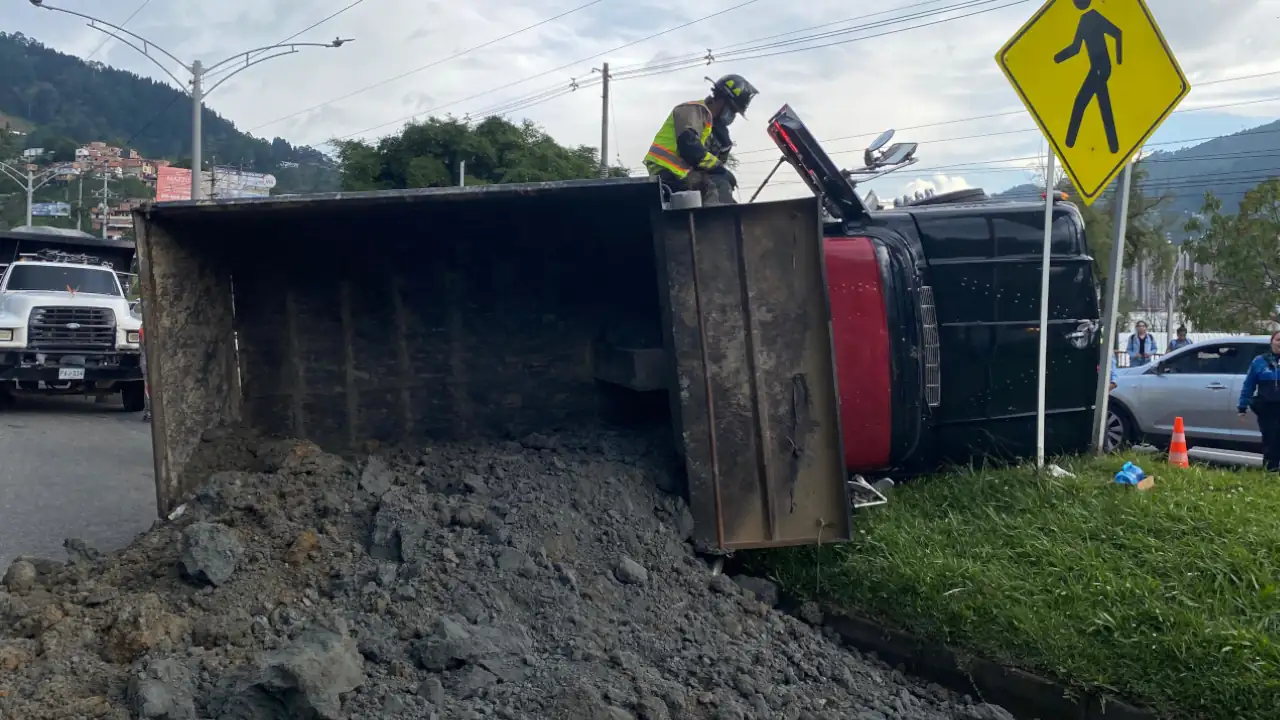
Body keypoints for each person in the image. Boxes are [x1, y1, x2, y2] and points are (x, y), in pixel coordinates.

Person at [644, 73, 759, 206]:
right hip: (668, 172)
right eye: (731, 109)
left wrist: (723, 149)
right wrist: (720, 168)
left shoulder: (713, 127)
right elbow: (690, 149)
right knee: (719, 184)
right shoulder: (692, 110)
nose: (732, 115)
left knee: (729, 200)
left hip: (684, 174)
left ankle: (724, 215)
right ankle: (716, 219)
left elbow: (711, 163)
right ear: (721, 100)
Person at [1238, 331, 1280, 471]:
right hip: (1268, 409)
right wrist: (1242, 406)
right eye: (1278, 340)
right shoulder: (1260, 361)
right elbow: (1249, 385)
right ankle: (1271, 472)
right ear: (1271, 342)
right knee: (1271, 441)